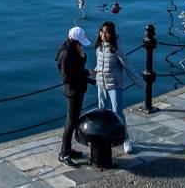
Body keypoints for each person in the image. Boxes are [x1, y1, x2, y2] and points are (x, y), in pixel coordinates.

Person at [93, 21, 137, 154]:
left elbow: (127, 65)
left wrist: (138, 81)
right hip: (101, 84)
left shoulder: (116, 48)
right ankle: (105, 136)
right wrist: (92, 72)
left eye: (106, 32)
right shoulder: (98, 47)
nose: (103, 34)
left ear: (111, 33)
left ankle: (125, 138)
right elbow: (99, 65)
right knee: (102, 111)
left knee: (117, 112)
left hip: (114, 85)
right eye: (101, 31)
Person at [56, 26, 91, 166]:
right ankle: (64, 153)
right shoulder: (66, 54)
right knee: (70, 122)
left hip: (78, 89)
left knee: (73, 120)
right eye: (80, 43)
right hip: (73, 91)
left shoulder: (72, 50)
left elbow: (78, 68)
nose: (82, 45)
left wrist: (82, 57)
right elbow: (66, 78)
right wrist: (86, 73)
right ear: (74, 41)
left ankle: (68, 150)